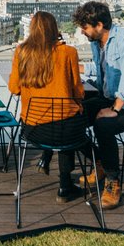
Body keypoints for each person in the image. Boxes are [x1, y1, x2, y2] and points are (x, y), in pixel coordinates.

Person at [71, 1, 124, 210]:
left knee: (103, 126)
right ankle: (100, 162)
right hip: (108, 97)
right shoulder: (97, 43)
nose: (83, 31)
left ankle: (113, 181)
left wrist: (115, 108)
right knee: (70, 117)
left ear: (99, 25)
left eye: (85, 27)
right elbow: (102, 72)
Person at [8, 11, 86, 204]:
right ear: (55, 28)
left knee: (60, 122)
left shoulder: (22, 52)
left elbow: (14, 88)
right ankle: (65, 187)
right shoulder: (69, 53)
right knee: (68, 124)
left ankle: (45, 159)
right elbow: (78, 91)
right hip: (65, 130)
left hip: (34, 130)